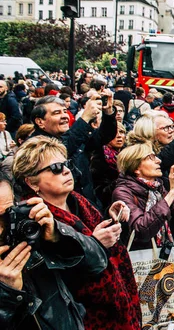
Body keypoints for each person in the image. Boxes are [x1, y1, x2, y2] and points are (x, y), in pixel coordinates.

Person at [12, 136, 142, 330]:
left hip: (119, 309)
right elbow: (62, 280)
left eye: (67, 164)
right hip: (85, 319)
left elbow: (102, 246)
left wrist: (110, 217)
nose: (66, 171)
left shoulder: (79, 201)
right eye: (56, 168)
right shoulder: (34, 223)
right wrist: (95, 243)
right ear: (32, 182)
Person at [0, 172, 109, 330]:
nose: (3, 227)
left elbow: (98, 263)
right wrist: (7, 295)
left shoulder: (26, 238)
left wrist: (58, 236)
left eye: (7, 214)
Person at [112, 142, 174, 280]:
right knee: (147, 300)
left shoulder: (157, 188)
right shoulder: (123, 192)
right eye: (151, 158)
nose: (158, 160)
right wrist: (173, 192)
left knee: (164, 298)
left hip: (162, 261)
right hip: (140, 265)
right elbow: (142, 230)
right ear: (136, 168)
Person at [30, 92, 117, 211]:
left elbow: (103, 136)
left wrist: (108, 113)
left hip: (89, 205)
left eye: (65, 111)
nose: (64, 116)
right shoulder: (33, 145)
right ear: (40, 122)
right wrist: (85, 118)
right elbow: (62, 151)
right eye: (57, 113)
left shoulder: (73, 136)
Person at [91, 122, 127, 208]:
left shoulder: (129, 154)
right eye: (114, 133)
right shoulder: (99, 158)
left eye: (121, 132)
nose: (119, 136)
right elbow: (100, 193)